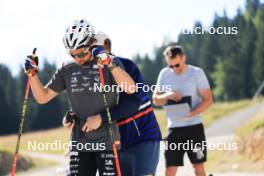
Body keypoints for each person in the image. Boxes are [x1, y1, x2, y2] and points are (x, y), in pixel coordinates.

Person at [24, 19, 136, 176]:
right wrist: (32, 75)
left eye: (82, 53)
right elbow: (42, 97)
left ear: (92, 43)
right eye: (72, 54)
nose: (77, 59)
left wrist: (109, 63)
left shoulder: (110, 61)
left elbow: (131, 88)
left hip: (107, 142)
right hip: (79, 142)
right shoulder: (67, 68)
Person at [64, 32, 162, 176]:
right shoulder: (90, 73)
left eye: (93, 50)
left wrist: (102, 117)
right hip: (116, 143)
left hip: (142, 138)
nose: (89, 55)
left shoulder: (126, 66)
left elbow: (134, 103)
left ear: (106, 49)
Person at [152, 45, 213, 176]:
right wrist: (167, 95)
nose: (174, 69)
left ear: (183, 58)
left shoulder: (196, 73)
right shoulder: (164, 74)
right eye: (171, 66)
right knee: (170, 169)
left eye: (177, 65)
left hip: (194, 128)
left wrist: (192, 113)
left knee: (198, 167)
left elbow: (208, 100)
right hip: (174, 129)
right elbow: (156, 100)